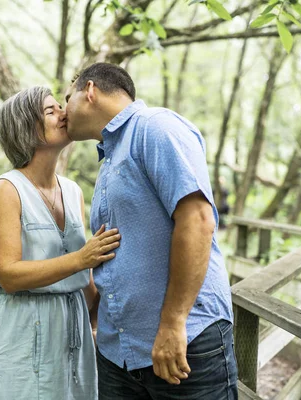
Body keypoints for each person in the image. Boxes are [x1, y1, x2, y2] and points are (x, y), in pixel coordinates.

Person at [64, 63, 238, 399]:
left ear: (89, 91)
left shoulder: (155, 128)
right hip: (121, 357)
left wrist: (174, 323)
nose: (62, 110)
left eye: (66, 97)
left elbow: (198, 219)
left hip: (184, 343)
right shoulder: (110, 159)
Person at [0, 86, 120, 399]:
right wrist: (82, 258)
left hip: (72, 331)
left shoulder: (73, 192)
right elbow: (9, 275)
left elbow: (81, 278)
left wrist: (104, 314)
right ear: (25, 127)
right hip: (20, 332)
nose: (63, 114)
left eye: (60, 107)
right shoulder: (6, 190)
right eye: (50, 111)